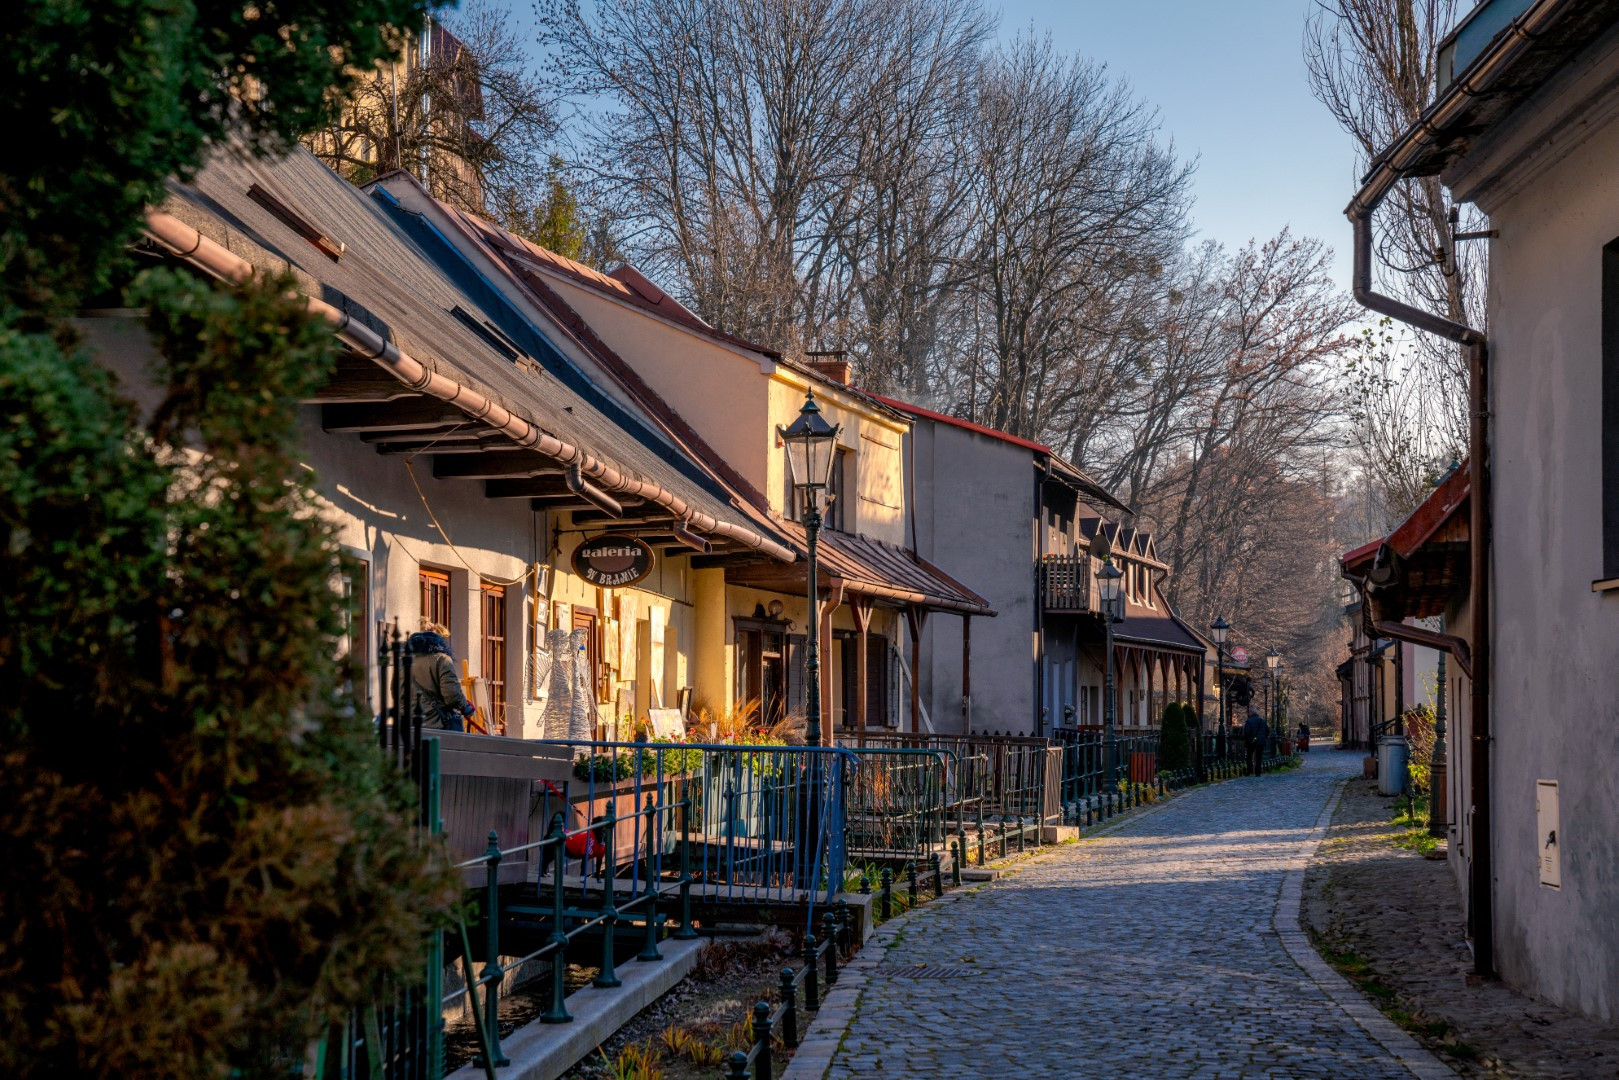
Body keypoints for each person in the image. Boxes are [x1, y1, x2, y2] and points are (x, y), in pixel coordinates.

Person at [408, 621, 475, 731]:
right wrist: (465, 707)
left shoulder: (403, 663)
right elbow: (451, 695)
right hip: (438, 726)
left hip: (409, 728)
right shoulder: (442, 660)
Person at [1244, 704, 1268, 776]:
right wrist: (1264, 738)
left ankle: (1249, 771)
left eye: (1249, 712)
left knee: (1249, 756)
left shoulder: (1249, 721)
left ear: (1251, 713)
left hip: (1251, 741)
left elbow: (1247, 731)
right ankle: (1258, 772)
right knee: (1259, 756)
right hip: (1261, 741)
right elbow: (1267, 730)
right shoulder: (1262, 720)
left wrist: (1247, 739)